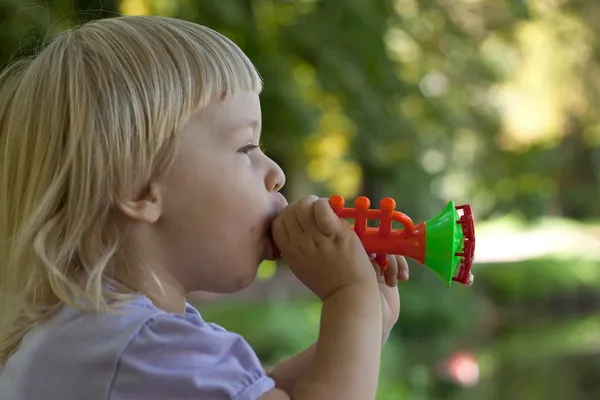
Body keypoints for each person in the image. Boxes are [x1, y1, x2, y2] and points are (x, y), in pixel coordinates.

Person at [0, 15, 409, 400]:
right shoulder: (142, 346)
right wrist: (349, 295)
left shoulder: (103, 336)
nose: (277, 173)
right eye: (247, 147)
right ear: (139, 188)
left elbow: (260, 390)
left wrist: (365, 327)